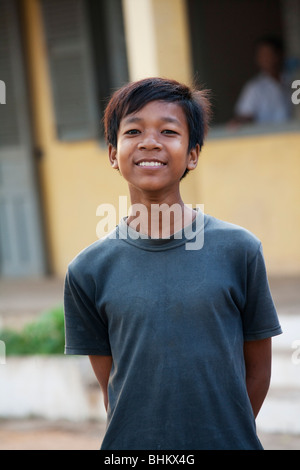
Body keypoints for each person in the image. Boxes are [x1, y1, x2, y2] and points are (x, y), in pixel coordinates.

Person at [64, 77, 282, 450]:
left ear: (192, 154)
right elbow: (114, 386)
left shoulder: (238, 250)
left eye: (168, 131)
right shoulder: (88, 270)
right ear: (113, 154)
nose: (150, 142)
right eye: (133, 130)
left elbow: (259, 370)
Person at [231, 36, 292, 125]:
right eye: (261, 55)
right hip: (269, 137)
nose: (264, 59)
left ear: (279, 55)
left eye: (268, 54)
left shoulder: (293, 80)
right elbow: (245, 115)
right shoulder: (254, 87)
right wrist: (238, 122)